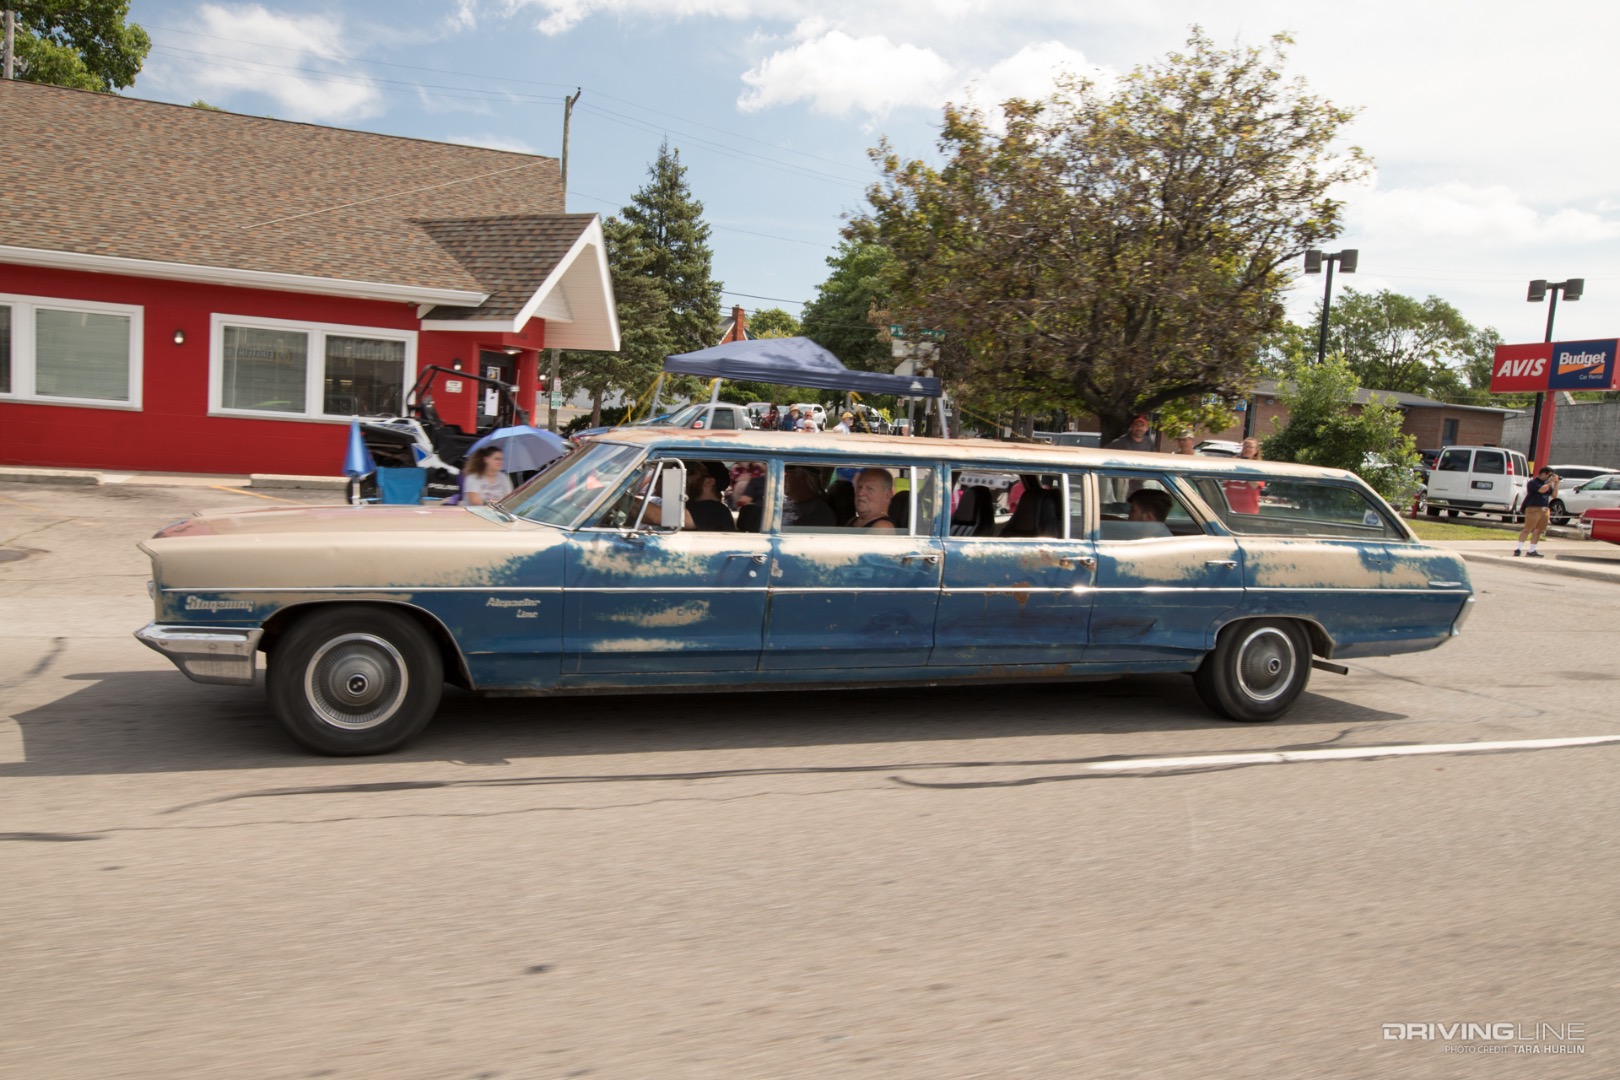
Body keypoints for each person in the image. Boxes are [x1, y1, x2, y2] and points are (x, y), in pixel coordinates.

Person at [1515, 467, 1559, 557]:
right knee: (1527, 529)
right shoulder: (1533, 483)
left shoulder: (1547, 484)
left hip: (1544, 509)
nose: (1550, 477)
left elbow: (1554, 495)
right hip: (1533, 508)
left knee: (1538, 531)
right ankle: (1518, 549)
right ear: (1543, 474)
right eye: (1549, 475)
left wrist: (1556, 484)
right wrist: (1550, 482)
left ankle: (1532, 550)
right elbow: (1541, 490)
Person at [1221, 438, 1264, 515]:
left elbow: (1254, 485)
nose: (1246, 449)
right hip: (1229, 509)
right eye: (1244, 446)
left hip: (1248, 511)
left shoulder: (1259, 467)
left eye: (1250, 447)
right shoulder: (1234, 464)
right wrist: (1231, 465)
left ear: (1256, 450)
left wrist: (1246, 467)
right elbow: (1224, 482)